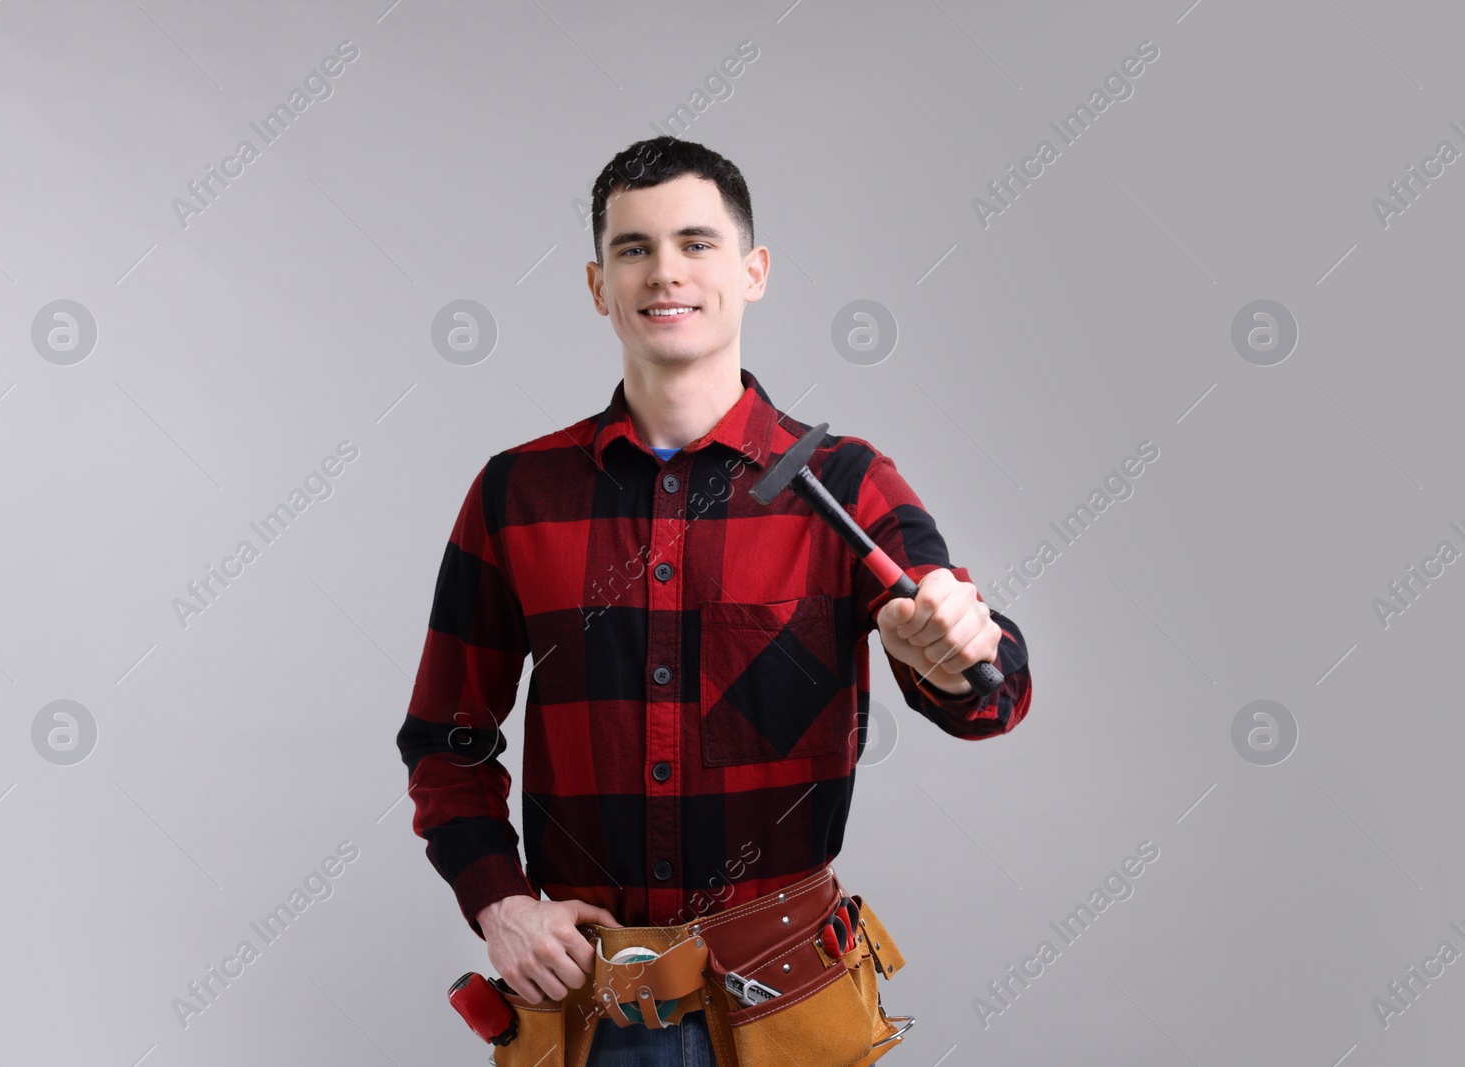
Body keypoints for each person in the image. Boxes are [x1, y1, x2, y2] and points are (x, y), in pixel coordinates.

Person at [397, 135, 1033, 1065]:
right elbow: (443, 743)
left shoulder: (847, 483)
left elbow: (993, 693)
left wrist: (956, 647)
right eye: (634, 248)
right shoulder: (514, 494)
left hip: (789, 1012)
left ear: (753, 270)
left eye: (696, 243)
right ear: (596, 283)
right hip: (587, 1018)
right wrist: (498, 901)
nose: (666, 273)